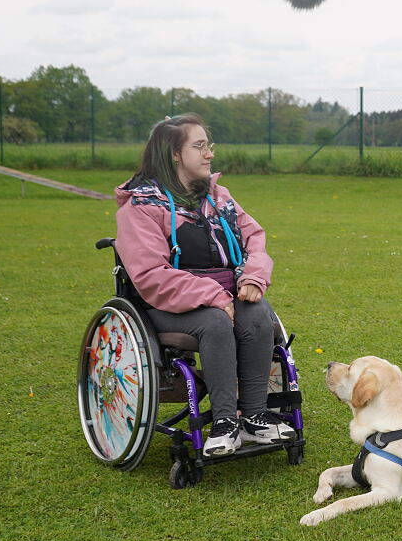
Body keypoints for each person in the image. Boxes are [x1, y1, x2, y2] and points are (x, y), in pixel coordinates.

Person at [114, 114, 294, 457]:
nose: (209, 153)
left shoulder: (218, 197)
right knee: (214, 322)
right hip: (166, 304)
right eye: (199, 146)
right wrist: (212, 296)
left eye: (208, 145)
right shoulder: (140, 208)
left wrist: (253, 277)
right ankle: (225, 421)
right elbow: (152, 275)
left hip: (227, 291)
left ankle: (254, 416)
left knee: (256, 314)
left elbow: (254, 238)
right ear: (174, 155)